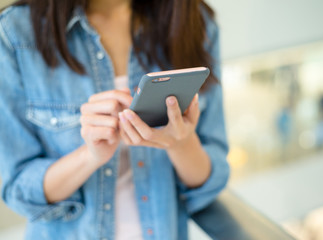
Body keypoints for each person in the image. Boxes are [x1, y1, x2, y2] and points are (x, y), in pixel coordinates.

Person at [0, 0, 229, 239]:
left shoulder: (194, 22)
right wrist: (89, 157)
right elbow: (19, 191)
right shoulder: (14, 33)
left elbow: (210, 184)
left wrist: (182, 144)